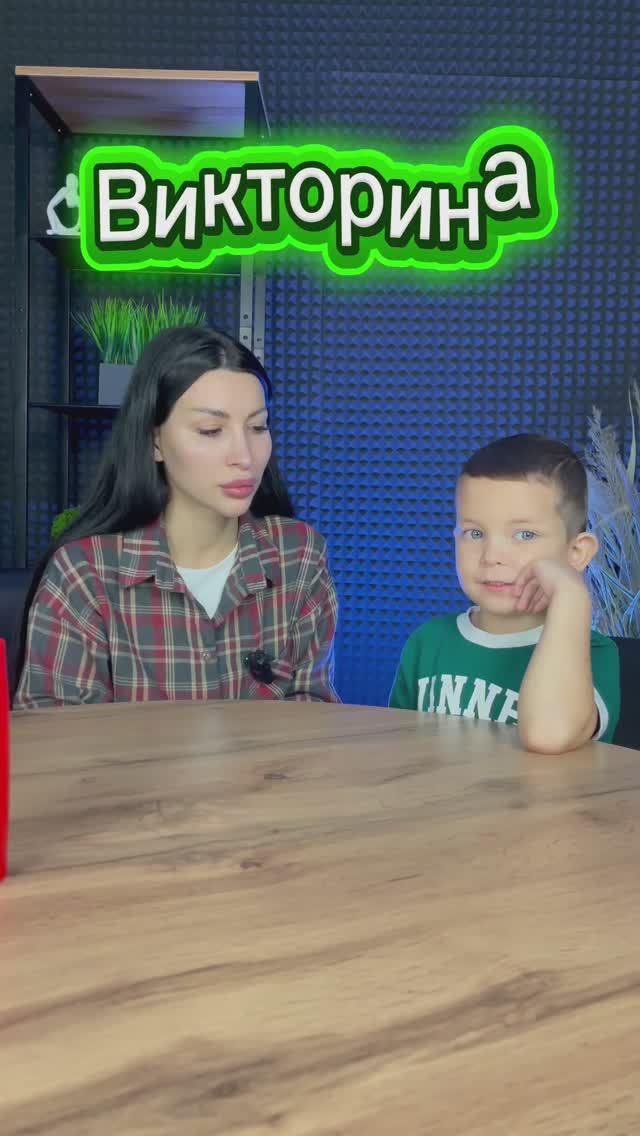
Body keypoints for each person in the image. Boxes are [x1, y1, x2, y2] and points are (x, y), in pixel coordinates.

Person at [14, 326, 339, 708]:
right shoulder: (84, 575)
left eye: (257, 427)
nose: (244, 456)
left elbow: (312, 714)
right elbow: (58, 735)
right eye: (211, 430)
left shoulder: (299, 557)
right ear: (155, 441)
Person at [389, 434, 620, 752]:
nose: (492, 556)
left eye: (525, 535)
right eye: (475, 533)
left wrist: (572, 596)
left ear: (577, 553)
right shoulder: (427, 642)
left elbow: (548, 735)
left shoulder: (594, 653)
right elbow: (399, 750)